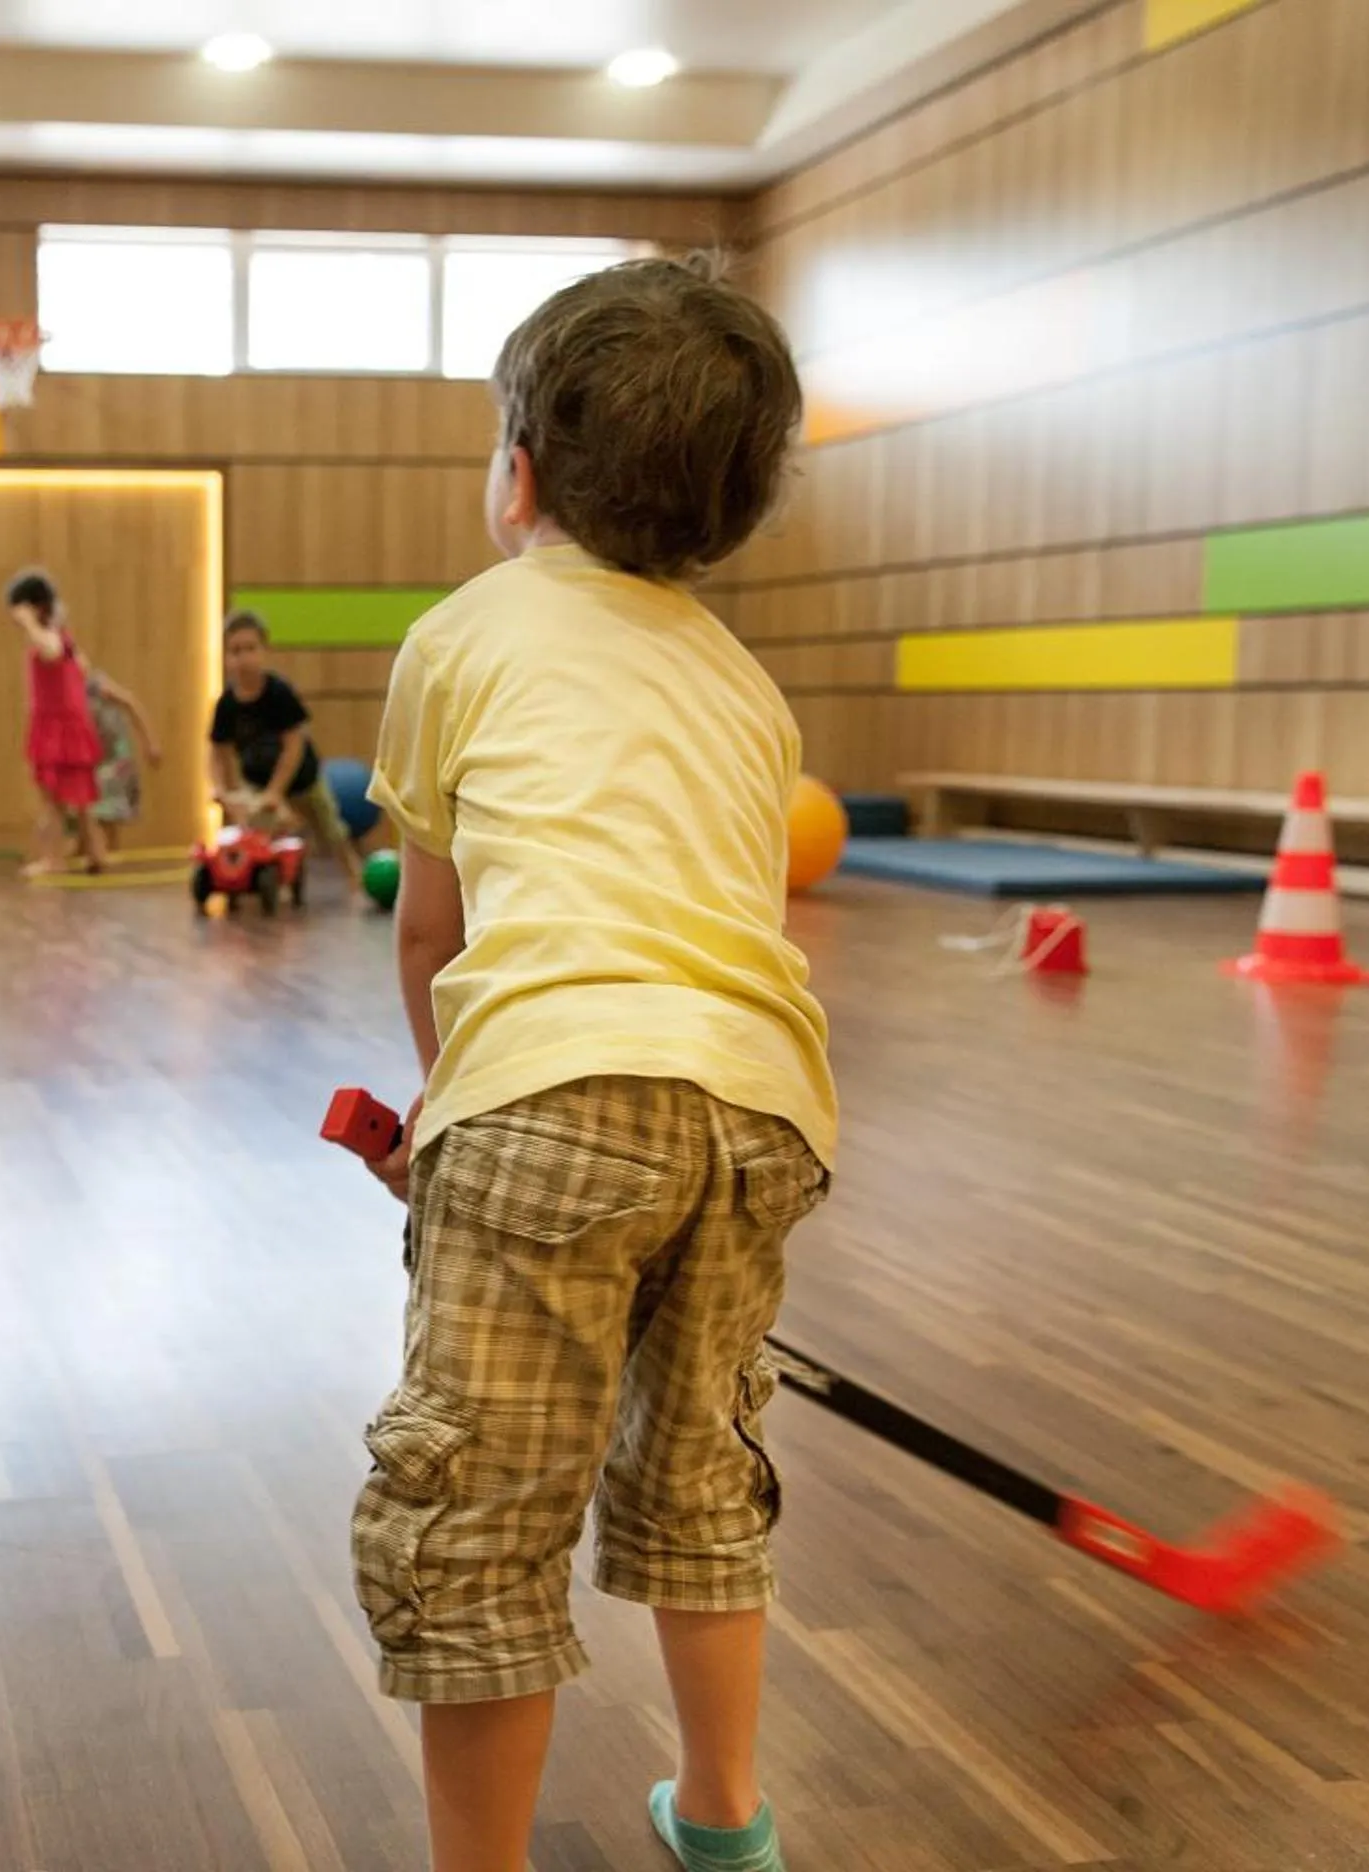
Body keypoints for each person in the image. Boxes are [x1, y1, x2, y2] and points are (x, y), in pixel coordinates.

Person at [351, 257, 836, 1872]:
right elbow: (724, 929)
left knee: (478, 1516)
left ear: (521, 467)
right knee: (699, 1467)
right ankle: (721, 1823)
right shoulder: (746, 688)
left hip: (547, 1100)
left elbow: (430, 932)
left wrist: (442, 1113)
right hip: (757, 1112)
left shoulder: (458, 636)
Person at [206, 613, 361, 888]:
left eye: (250, 648)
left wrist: (276, 792)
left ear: (265, 651)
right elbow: (217, 753)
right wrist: (219, 789)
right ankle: (261, 881)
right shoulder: (226, 704)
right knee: (255, 832)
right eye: (235, 651)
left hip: (302, 778)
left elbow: (293, 746)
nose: (243, 658)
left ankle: (354, 877)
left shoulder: (279, 693)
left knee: (331, 831)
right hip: (257, 781)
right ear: (226, 656)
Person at [6, 569, 106, 878]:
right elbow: (81, 667)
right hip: (66, 722)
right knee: (79, 797)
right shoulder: (62, 636)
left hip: (58, 725)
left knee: (52, 799)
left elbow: (51, 652)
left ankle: (54, 859)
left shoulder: (48, 637)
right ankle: (94, 853)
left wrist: (29, 622)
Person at [86, 666, 163, 845]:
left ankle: (105, 858)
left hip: (112, 762)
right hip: (89, 760)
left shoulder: (94, 684)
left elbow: (130, 703)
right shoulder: (65, 691)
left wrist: (150, 742)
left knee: (106, 817)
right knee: (86, 818)